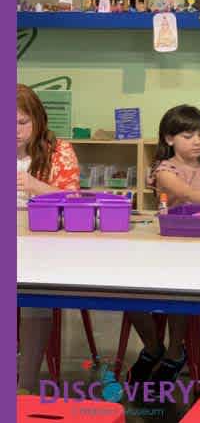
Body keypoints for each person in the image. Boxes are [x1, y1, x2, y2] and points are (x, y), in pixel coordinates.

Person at [125, 105, 200, 385]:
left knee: (182, 291)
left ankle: (175, 350)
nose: (197, 141)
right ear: (169, 138)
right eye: (188, 135)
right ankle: (152, 346)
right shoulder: (164, 169)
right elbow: (185, 193)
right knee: (128, 289)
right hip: (168, 244)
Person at [16, 84, 81, 394]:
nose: (14, 131)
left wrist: (33, 185)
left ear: (38, 120)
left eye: (21, 122)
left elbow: (75, 200)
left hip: (44, 243)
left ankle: (25, 384)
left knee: (32, 300)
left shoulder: (59, 151)